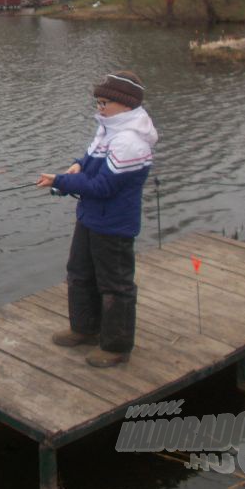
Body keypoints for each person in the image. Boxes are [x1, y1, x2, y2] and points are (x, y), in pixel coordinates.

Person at [36, 71, 158, 368]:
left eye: (105, 102)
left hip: (114, 225)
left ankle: (116, 345)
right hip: (91, 218)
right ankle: (85, 328)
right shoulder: (109, 130)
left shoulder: (130, 141)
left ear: (126, 105)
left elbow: (104, 187)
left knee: (115, 285)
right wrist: (76, 168)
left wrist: (63, 182)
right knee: (79, 273)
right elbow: (89, 161)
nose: (99, 108)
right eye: (98, 102)